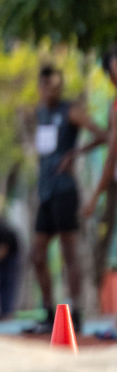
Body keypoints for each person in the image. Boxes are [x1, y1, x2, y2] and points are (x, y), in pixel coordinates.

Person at [24, 65, 104, 335]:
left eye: (55, 86)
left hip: (65, 190)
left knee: (68, 253)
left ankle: (76, 312)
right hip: (45, 192)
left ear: (60, 87)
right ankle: (48, 313)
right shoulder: (40, 113)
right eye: (45, 86)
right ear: (40, 87)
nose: (50, 91)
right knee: (36, 254)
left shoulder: (69, 110)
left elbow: (102, 134)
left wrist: (75, 154)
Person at [81, 42, 117, 339]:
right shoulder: (114, 105)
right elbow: (110, 142)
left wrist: (94, 196)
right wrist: (81, 150)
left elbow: (112, 154)